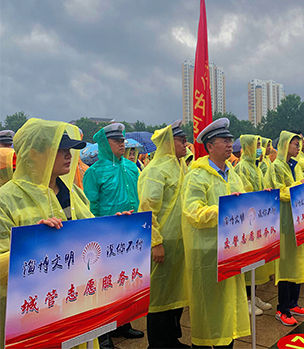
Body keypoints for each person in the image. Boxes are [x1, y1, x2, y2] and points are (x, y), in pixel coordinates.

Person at [0, 119, 98, 348]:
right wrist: (34, 243)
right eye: (60, 149)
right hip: (31, 314)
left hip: (75, 300)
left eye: (69, 150)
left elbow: (92, 232)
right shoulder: (6, 199)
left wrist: (118, 228)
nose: (69, 155)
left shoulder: (72, 192)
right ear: (34, 153)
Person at [181, 118, 249, 348]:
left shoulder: (232, 172)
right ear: (210, 146)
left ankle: (226, 343)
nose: (230, 144)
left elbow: (243, 201)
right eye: (224, 140)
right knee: (208, 308)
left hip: (230, 250)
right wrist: (224, 210)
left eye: (230, 140)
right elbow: (193, 212)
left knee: (227, 306)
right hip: (207, 252)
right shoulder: (197, 175)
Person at [83, 123, 143, 345]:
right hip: (105, 237)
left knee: (125, 282)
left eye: (122, 139)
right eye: (116, 140)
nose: (122, 143)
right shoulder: (94, 172)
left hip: (131, 235)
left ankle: (123, 323)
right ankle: (104, 334)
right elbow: (92, 206)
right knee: (104, 285)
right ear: (104, 143)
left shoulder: (131, 167)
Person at [137, 121, 189, 349]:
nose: (186, 144)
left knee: (176, 293)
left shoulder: (180, 165)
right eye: (181, 140)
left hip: (180, 241)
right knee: (159, 296)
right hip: (163, 243)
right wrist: (155, 242)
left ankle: (172, 339)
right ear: (169, 142)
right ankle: (158, 343)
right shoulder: (156, 169)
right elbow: (148, 209)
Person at [264, 131, 304, 326]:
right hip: (284, 222)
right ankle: (282, 308)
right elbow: (280, 192)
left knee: (297, 262)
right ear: (286, 145)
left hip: (298, 219)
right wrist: (302, 183)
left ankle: (293, 303)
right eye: (295, 144)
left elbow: (300, 187)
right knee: (285, 266)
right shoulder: (276, 167)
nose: (298, 148)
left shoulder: (295, 165)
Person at [234, 135, 274, 316]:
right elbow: (246, 192)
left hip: (259, 218)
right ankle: (247, 300)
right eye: (257, 145)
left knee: (257, 260)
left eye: (260, 145)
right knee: (248, 259)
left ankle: (254, 295)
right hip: (248, 221)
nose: (260, 148)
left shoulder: (256, 167)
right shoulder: (242, 167)